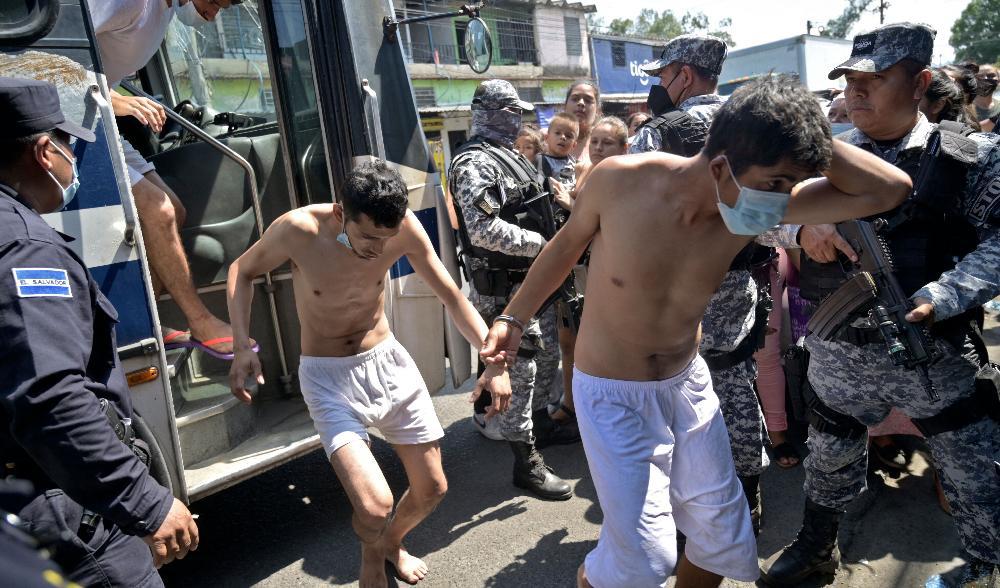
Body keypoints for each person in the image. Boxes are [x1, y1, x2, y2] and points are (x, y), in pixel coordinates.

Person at [481, 75, 912, 588]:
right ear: (720, 166)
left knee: (724, 541)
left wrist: (807, 128)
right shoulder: (620, 181)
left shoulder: (748, 209)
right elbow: (566, 246)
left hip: (687, 384)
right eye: (776, 183)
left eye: (790, 185)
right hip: (611, 394)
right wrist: (512, 318)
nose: (783, 200)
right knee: (643, 559)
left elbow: (890, 189)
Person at [761, 23, 1000, 587]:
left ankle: (984, 569)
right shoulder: (826, 158)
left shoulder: (971, 157)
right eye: (850, 80)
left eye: (875, 79)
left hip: (933, 356)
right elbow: (759, 217)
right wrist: (803, 229)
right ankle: (818, 548)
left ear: (919, 83)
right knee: (828, 461)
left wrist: (945, 295)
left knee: (977, 479)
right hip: (839, 356)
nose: (856, 92)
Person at [226, 159, 511, 587]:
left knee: (433, 488)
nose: (378, 251)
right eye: (367, 238)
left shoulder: (405, 228)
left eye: (386, 238)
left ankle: (391, 543)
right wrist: (242, 344)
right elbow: (242, 271)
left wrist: (492, 361)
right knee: (374, 506)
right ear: (341, 212)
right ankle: (372, 555)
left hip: (387, 363)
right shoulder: (298, 229)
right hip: (327, 378)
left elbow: (451, 295)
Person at [0, 77, 199, 587]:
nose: (73, 160)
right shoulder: (26, 249)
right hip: (56, 510)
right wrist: (145, 502)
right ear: (45, 152)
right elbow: (51, 396)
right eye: (67, 144)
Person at [631, 33, 778, 534]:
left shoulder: (661, 131)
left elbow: (635, 216)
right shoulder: (755, 130)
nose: (660, 86)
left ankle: (689, 511)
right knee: (736, 383)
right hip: (740, 282)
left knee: (676, 395)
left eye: (663, 75)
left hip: (680, 292)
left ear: (685, 75)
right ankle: (750, 497)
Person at [92, 0, 249, 358]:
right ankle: (201, 320)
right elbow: (52, 52)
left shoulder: (161, 12)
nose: (212, 15)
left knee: (174, 212)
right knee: (158, 211)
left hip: (99, 119)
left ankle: (139, 322)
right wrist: (115, 99)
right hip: (72, 125)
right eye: (214, 3)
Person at [447, 79, 574, 500]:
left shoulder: (509, 157)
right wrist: (545, 247)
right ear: (487, 111)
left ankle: (534, 427)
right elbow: (483, 230)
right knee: (519, 370)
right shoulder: (473, 163)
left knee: (539, 361)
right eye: (509, 109)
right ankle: (526, 463)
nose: (517, 117)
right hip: (500, 288)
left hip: (529, 282)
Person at [629, 33, 728, 156]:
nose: (660, 85)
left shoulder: (656, 133)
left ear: (686, 77)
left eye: (662, 78)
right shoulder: (746, 116)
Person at [564, 81, 602, 166]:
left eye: (588, 100)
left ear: (598, 111)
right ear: (565, 106)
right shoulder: (546, 142)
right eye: (575, 99)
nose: (581, 103)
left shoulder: (606, 145)